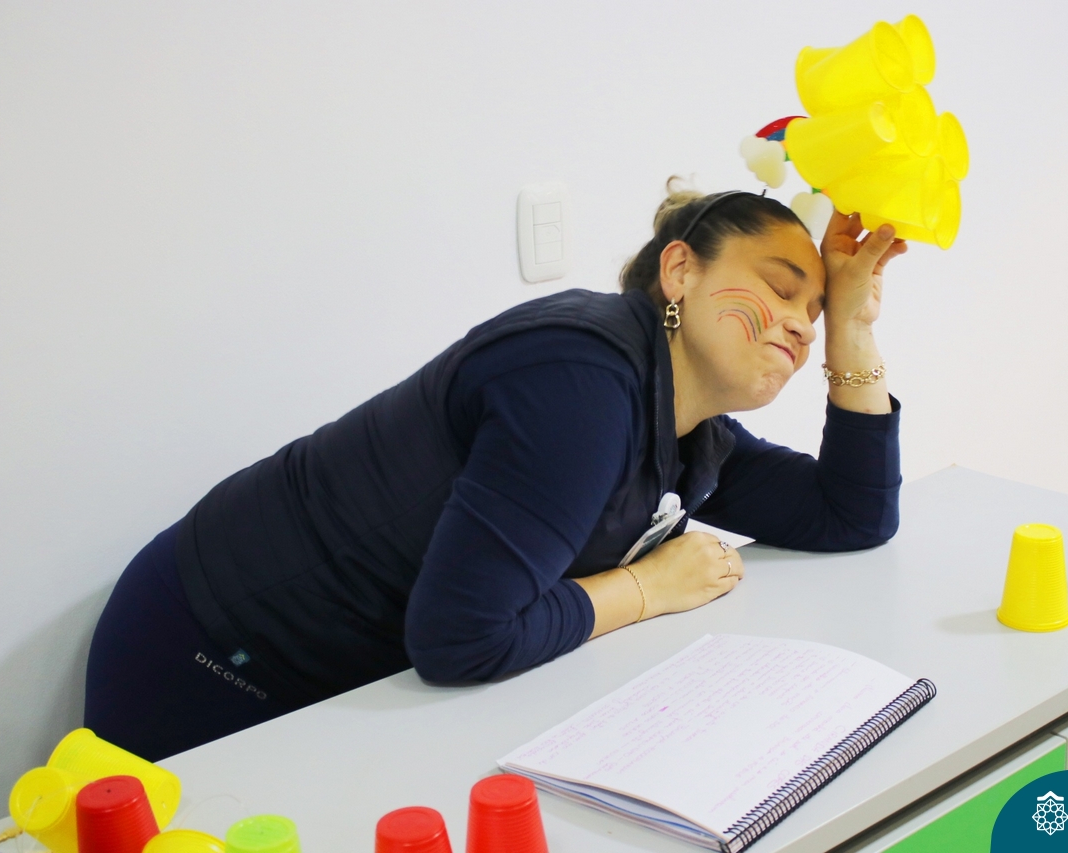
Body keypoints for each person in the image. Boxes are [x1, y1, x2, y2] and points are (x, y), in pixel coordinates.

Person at [84, 183, 907, 760]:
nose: (800, 324)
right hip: (213, 655)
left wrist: (854, 331)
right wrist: (649, 587)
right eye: (780, 289)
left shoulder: (692, 429)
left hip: (346, 686)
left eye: (814, 311)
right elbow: (461, 636)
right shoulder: (580, 382)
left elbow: (853, 514)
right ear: (680, 271)